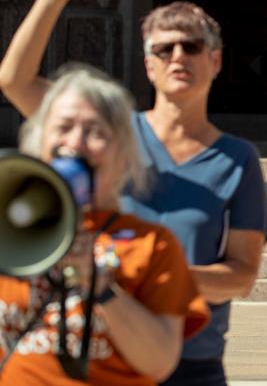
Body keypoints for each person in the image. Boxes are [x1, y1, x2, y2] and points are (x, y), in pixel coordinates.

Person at [0, 0, 267, 386]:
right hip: (92, 351)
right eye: (164, 50)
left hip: (188, 360)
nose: (178, 57)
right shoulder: (105, 133)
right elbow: (15, 81)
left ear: (216, 60)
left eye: (192, 47)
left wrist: (143, 280)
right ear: (148, 65)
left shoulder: (236, 160)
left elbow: (241, 276)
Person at [0, 65, 210, 386]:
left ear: (124, 154)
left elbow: (159, 362)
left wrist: (103, 290)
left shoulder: (153, 244)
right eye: (64, 127)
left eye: (96, 132)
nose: (75, 143)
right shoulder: (7, 225)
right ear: (39, 139)